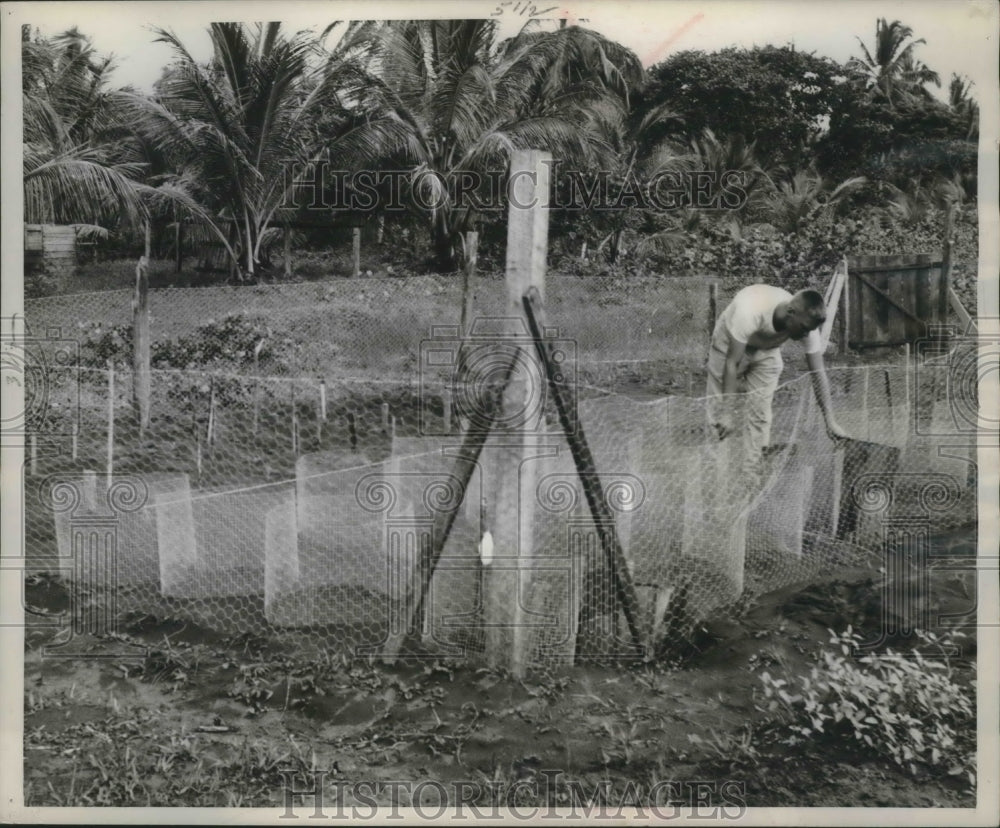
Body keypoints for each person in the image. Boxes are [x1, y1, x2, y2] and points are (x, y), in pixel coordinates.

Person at [706, 284, 848, 481]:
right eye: (804, 329)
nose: (806, 335)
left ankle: (751, 477)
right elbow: (732, 363)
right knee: (718, 414)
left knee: (760, 414)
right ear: (790, 312)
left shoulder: (808, 324)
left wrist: (830, 421)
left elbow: (818, 373)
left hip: (768, 348)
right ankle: (714, 480)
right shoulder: (749, 309)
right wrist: (728, 411)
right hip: (730, 344)